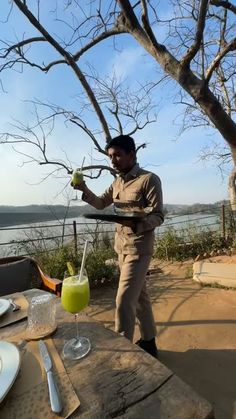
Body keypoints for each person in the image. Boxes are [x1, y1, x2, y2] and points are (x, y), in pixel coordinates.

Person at [73, 135, 164, 357]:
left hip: (139, 248)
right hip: (121, 248)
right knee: (139, 296)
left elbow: (159, 215)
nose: (113, 161)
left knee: (124, 300)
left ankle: (122, 351)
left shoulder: (149, 180)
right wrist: (83, 187)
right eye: (110, 157)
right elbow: (101, 203)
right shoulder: (117, 182)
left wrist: (137, 224)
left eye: (118, 155)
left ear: (132, 154)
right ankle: (149, 343)